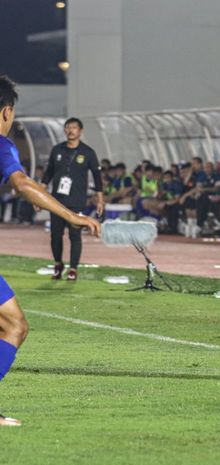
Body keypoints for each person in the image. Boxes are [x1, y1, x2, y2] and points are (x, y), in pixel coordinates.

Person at [0, 76, 100, 426]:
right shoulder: (2, 144)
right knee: (14, 325)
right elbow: (22, 183)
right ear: (7, 112)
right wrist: (72, 214)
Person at [41, 117, 103, 281]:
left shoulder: (88, 152)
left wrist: (100, 199)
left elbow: (97, 176)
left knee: (75, 235)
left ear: (80, 131)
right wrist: (39, 194)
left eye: (74, 127)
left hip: (77, 200)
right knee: (55, 235)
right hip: (56, 201)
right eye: (68, 127)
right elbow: (48, 173)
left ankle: (73, 268)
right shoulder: (57, 150)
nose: (71, 130)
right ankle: (58, 264)